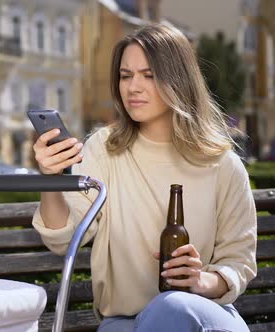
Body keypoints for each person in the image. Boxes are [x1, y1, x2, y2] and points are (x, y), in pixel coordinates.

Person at [31, 24, 257, 331]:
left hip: (202, 316)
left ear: (178, 79)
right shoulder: (104, 149)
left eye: (148, 75)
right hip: (124, 322)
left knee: (173, 307)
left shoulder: (224, 165)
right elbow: (65, 239)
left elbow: (238, 263)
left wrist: (200, 280)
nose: (133, 87)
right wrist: (51, 178)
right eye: (126, 75)